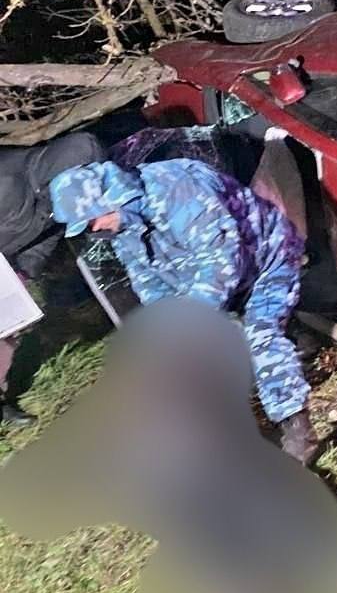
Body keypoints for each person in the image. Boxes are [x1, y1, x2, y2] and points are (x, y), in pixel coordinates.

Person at [49, 157, 319, 463]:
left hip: (267, 260)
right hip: (211, 283)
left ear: (108, 198)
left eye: (92, 220)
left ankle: (298, 431)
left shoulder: (177, 189)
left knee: (261, 335)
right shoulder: (123, 225)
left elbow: (222, 262)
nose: (95, 229)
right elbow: (148, 281)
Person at [0, 131, 105, 426]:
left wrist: (24, 271)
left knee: (6, 331)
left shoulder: (60, 195)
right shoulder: (7, 186)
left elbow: (48, 232)